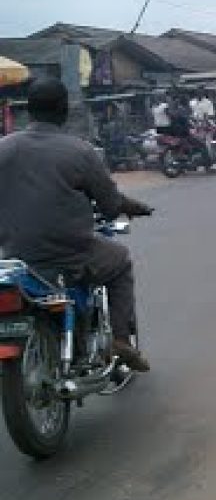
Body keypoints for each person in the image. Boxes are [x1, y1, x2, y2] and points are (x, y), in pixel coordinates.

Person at [0, 78, 152, 371]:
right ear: (64, 111)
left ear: (28, 111)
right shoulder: (80, 151)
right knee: (120, 261)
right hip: (70, 253)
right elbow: (109, 204)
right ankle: (120, 340)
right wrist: (130, 208)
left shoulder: (3, 148)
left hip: (15, 256)